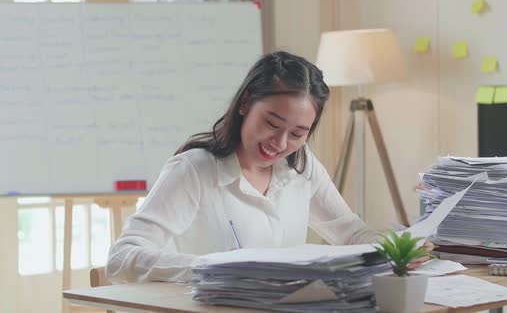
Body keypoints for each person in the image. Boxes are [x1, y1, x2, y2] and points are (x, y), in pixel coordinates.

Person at [106, 51, 430, 283]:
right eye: (272, 123)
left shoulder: (303, 169)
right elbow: (122, 259)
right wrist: (214, 268)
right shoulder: (193, 170)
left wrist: (397, 250)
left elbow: (350, 233)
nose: (280, 142)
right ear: (245, 103)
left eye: (298, 134)